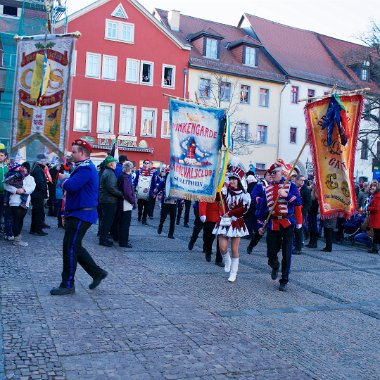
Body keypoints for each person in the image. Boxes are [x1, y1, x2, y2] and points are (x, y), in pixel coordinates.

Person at [50, 139, 108, 296]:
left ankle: (67, 284)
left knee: (69, 247)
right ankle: (97, 273)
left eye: (74, 152)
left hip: (81, 214)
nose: (71, 154)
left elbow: (71, 186)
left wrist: (63, 179)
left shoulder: (86, 169)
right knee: (75, 247)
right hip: (79, 213)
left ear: (82, 153)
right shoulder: (83, 167)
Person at [256, 159, 302, 291]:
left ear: (281, 173)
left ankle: (284, 280)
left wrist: (286, 195)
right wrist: (260, 223)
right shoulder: (268, 188)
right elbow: (262, 208)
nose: (272, 174)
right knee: (271, 253)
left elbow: (298, 202)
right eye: (271, 172)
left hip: (287, 223)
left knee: (287, 253)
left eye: (275, 172)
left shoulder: (290, 186)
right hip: (273, 224)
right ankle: (275, 266)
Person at [212, 157, 251, 282]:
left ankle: (233, 273)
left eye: (234, 179)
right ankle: (227, 260)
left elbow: (243, 209)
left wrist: (230, 213)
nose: (232, 181)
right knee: (222, 247)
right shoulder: (226, 191)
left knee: (234, 249)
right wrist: (218, 189)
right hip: (224, 221)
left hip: (236, 222)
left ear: (239, 180)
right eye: (231, 179)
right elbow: (218, 200)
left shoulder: (245, 195)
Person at [4, 162, 36, 247]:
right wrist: (16, 190)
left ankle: (17, 237)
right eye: (22, 167)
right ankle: (16, 239)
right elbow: (6, 185)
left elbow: (32, 187)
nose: (23, 169)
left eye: (25, 167)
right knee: (16, 219)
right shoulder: (15, 175)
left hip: (25, 203)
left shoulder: (31, 178)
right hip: (15, 201)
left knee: (21, 220)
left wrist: (24, 190)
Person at [98, 156, 123, 247]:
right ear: (111, 164)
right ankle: (103, 239)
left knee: (105, 219)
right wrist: (121, 194)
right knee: (107, 220)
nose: (116, 164)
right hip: (109, 200)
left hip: (106, 199)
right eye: (115, 163)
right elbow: (111, 188)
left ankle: (103, 238)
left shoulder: (107, 171)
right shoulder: (110, 173)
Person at [199, 199, 223, 266]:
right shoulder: (209, 188)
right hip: (210, 216)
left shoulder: (226, 189)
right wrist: (202, 213)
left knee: (221, 238)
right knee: (210, 237)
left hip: (222, 216)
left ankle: (219, 259)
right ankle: (208, 251)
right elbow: (203, 200)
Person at [134, 160, 158, 225]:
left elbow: (154, 183)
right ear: (143, 164)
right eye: (145, 163)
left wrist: (154, 192)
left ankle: (144, 220)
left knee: (147, 206)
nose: (146, 164)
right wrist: (135, 187)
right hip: (140, 191)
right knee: (140, 205)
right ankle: (139, 215)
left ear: (149, 164)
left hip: (148, 192)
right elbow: (136, 180)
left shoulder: (153, 173)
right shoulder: (138, 171)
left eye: (148, 163)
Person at [30, 154, 49, 236]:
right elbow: (40, 183)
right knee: (39, 212)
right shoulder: (38, 170)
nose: (46, 162)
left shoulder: (36, 168)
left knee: (36, 212)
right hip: (38, 194)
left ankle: (33, 229)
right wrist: (45, 191)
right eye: (45, 160)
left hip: (36, 194)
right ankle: (38, 230)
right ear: (41, 161)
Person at [118, 161, 136, 248]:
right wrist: (133, 201)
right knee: (125, 223)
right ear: (129, 168)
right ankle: (123, 241)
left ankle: (122, 240)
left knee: (122, 222)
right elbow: (127, 193)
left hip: (123, 202)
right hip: (126, 203)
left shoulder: (123, 176)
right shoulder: (125, 178)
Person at [156, 169, 177, 239]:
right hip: (166, 201)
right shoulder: (165, 178)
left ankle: (170, 234)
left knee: (173, 219)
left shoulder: (178, 178)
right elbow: (160, 186)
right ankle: (160, 225)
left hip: (174, 202)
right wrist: (155, 192)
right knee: (163, 217)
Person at [293, 174, 311, 255]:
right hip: (292, 212)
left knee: (299, 229)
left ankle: (299, 247)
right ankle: (294, 244)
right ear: (296, 180)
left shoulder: (306, 190)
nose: (302, 182)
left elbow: (308, 202)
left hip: (300, 212)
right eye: (301, 180)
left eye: (304, 180)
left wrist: (302, 211)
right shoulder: (293, 188)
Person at [366, 180, 380, 254]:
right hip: (376, 218)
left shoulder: (377, 196)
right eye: (372, 186)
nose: (372, 188)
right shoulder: (376, 195)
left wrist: (368, 208)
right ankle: (375, 248)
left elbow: (376, 208)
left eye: (374, 186)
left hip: (376, 218)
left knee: (377, 234)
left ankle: (375, 249)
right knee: (376, 233)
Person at [0, 148, 9, 234]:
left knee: (2, 212)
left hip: (4, 194)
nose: (0, 157)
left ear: (5, 157)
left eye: (2, 155)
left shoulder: (6, 167)